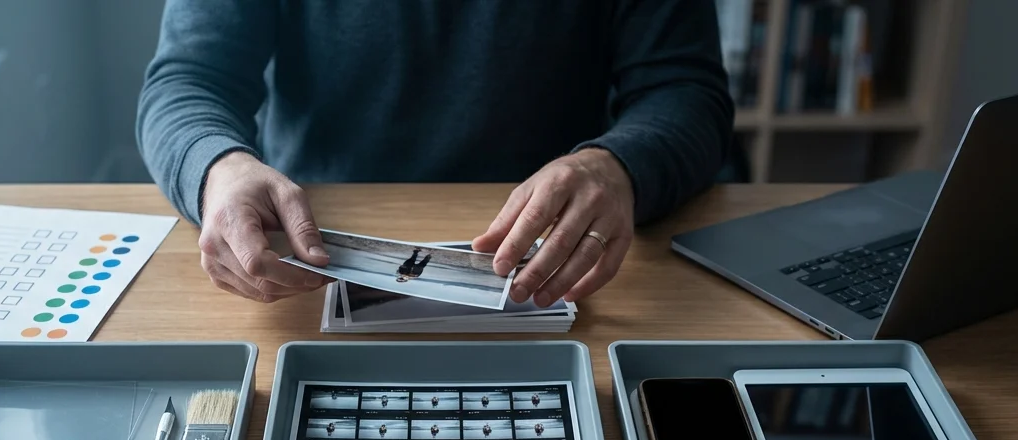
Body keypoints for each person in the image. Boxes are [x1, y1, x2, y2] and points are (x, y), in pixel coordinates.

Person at [138, 0, 733, 306]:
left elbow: (685, 92)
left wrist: (619, 164)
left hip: (560, 260)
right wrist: (217, 166)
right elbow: (189, 80)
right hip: (308, 255)